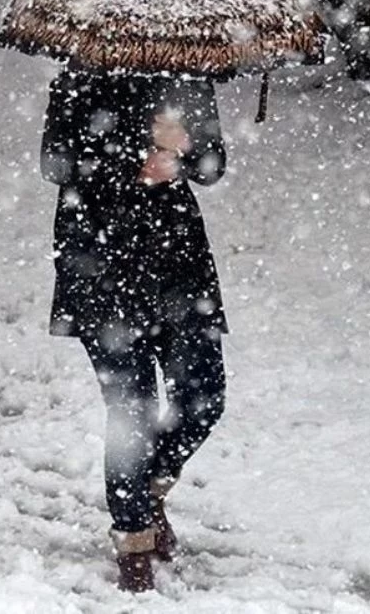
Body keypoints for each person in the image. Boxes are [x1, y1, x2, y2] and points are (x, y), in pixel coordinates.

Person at [40, 62, 229, 592]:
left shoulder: (188, 75)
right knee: (133, 411)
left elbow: (212, 167)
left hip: (178, 264)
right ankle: (133, 543)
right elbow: (56, 164)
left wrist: (183, 149)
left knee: (204, 396)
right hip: (100, 262)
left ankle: (145, 492)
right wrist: (135, 154)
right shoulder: (80, 78)